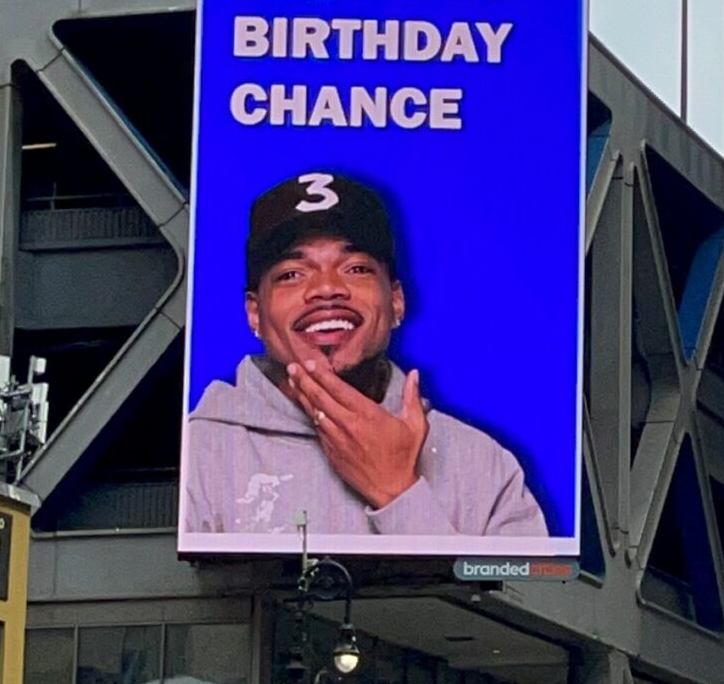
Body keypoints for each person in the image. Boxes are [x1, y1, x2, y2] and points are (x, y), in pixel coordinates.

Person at [184, 172, 548, 540]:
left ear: (397, 301)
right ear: (254, 314)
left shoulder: (484, 466)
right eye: (292, 274)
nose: (326, 288)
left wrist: (399, 493)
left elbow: (531, 591)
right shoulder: (195, 455)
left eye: (356, 268)